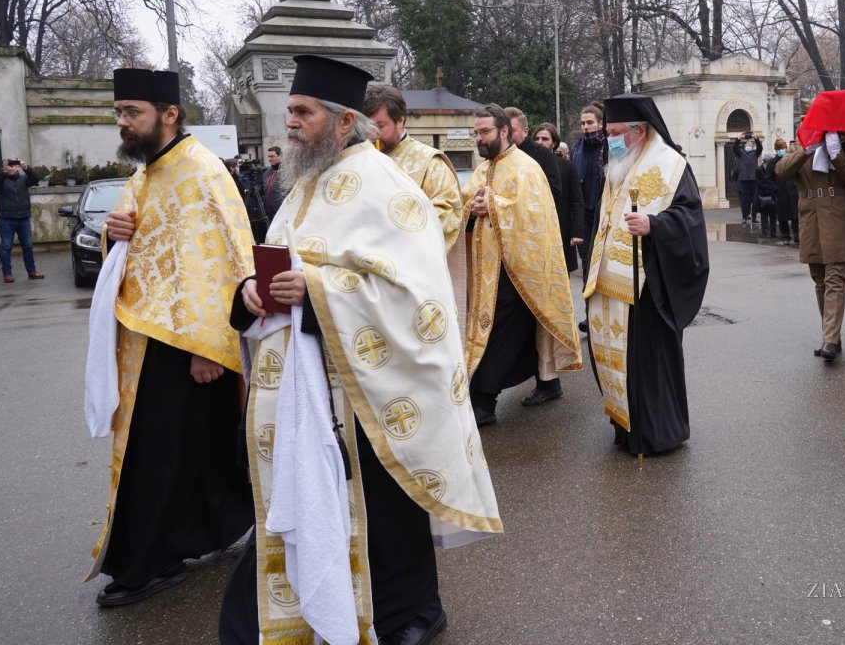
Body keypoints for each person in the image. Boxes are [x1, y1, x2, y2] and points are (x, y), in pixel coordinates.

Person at [219, 55, 501, 645]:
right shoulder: (302, 187)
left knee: (385, 509)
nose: (291, 123)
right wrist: (251, 293)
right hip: (304, 391)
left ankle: (412, 613)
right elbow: (279, 269)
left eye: (303, 112)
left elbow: (416, 297)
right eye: (291, 111)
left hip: (369, 392)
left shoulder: (387, 187)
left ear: (345, 122)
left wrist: (318, 290)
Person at [86, 68, 254, 606]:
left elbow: (223, 262)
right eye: (119, 114)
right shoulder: (146, 173)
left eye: (131, 112)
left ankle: (147, 563)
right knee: (171, 452)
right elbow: (139, 244)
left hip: (188, 347)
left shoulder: (202, 171)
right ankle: (187, 539)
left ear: (170, 114)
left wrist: (207, 350)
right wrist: (116, 232)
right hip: (144, 337)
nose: (123, 122)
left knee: (162, 455)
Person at [582, 94, 709, 455]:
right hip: (609, 285)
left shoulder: (671, 165)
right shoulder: (617, 166)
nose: (610, 140)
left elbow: (689, 218)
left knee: (647, 362)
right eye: (608, 133)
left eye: (616, 132)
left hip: (647, 287)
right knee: (617, 360)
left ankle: (658, 433)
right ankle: (626, 427)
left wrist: (654, 225)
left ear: (640, 131)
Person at [462, 104, 581, 422]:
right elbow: (463, 203)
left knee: (502, 330)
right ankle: (496, 391)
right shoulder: (481, 169)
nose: (479, 138)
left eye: (484, 132)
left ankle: (484, 401)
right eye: (476, 133)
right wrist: (469, 207)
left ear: (503, 132)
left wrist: (495, 206)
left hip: (518, 272)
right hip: (486, 270)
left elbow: (536, 213)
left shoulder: (525, 168)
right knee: (489, 331)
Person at [776, 133, 845, 361]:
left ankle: (829, 340)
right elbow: (782, 171)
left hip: (838, 217)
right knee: (820, 279)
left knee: (835, 278)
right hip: (811, 219)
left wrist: (836, 153)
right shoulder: (799, 146)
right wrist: (806, 149)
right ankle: (830, 334)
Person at [363, 83, 463, 251]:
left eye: (379, 126)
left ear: (400, 121)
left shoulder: (429, 162)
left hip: (406, 259)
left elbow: (447, 214)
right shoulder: (359, 157)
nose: (372, 135)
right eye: (367, 127)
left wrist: (394, 226)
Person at [534, 122, 585, 272]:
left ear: (554, 143)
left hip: (560, 228)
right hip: (535, 229)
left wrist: (577, 231)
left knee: (560, 274)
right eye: (536, 139)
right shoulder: (526, 165)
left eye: (545, 139)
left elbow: (577, 200)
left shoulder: (567, 166)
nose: (540, 142)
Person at [571, 103, 605, 276]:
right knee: (586, 262)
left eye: (589, 122)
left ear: (600, 123)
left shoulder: (608, 147)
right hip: (583, 213)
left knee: (602, 261)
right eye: (583, 123)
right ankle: (588, 302)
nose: (585, 127)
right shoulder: (578, 148)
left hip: (602, 211)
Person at [0, 159, 43, 282]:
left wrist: (26, 167)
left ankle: (32, 271)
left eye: (13, 166)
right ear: (4, 168)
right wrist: (4, 172)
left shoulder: (23, 180)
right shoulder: (1, 180)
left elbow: (36, 179)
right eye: (8, 166)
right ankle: (7, 274)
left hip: (23, 219)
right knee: (6, 247)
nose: (11, 168)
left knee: (27, 246)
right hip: (7, 220)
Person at [506, 106, 562, 211]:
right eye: (503, 130)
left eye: (512, 130)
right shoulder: (497, 155)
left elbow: (555, 193)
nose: (506, 135)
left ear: (525, 131)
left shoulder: (544, 155)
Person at [733, 130, 762, 224]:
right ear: (745, 146)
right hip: (744, 179)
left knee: (754, 199)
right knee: (745, 200)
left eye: (750, 144)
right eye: (747, 144)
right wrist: (738, 138)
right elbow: (734, 148)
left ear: (752, 146)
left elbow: (760, 148)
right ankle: (744, 217)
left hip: (754, 179)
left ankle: (754, 216)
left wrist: (756, 138)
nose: (749, 145)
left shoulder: (755, 154)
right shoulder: (741, 153)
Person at [754, 149, 781, 239]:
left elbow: (775, 180)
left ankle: (773, 233)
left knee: (773, 215)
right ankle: (766, 233)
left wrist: (772, 188)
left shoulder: (774, 168)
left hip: (773, 195)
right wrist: (768, 188)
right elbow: (759, 183)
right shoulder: (758, 170)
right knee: (764, 215)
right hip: (763, 196)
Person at [261, 145, 288, 220]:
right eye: (268, 157)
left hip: (282, 212)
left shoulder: (288, 171)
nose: (269, 159)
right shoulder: (266, 172)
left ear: (280, 156)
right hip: (268, 213)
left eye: (272, 156)